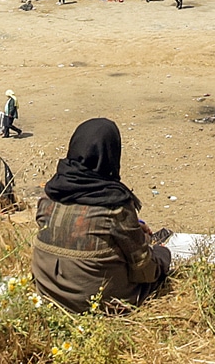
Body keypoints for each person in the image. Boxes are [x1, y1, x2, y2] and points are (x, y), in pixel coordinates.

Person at [33, 119, 172, 313]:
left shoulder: (50, 195)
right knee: (160, 262)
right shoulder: (114, 206)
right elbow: (145, 270)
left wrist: (134, 233)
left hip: (48, 294)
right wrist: (161, 253)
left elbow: (79, 230)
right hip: (98, 304)